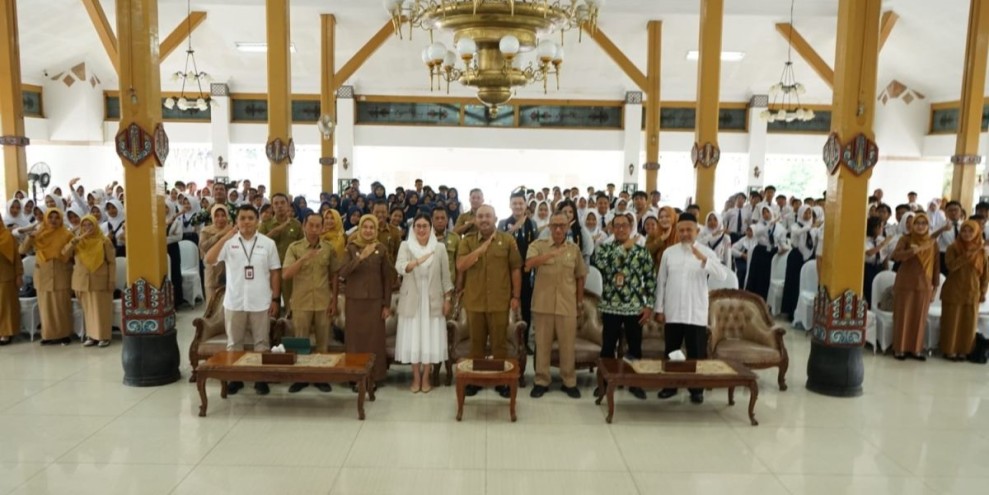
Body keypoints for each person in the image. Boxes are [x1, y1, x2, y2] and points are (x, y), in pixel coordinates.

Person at [205, 205, 282, 395]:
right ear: (237, 222)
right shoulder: (229, 243)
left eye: (250, 218)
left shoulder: (267, 243)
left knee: (261, 343)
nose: (246, 222)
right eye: (242, 218)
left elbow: (275, 273)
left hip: (260, 301)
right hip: (235, 301)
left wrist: (275, 299)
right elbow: (209, 258)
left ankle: (260, 378)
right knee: (234, 343)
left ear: (257, 221)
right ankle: (235, 378)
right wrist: (225, 236)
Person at [655, 213, 730, 403]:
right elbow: (661, 281)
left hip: (695, 311)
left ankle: (696, 388)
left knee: (696, 352)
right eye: (681, 230)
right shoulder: (669, 253)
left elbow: (722, 275)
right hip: (673, 310)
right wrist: (659, 308)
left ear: (697, 231)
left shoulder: (706, 252)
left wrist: (703, 259)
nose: (685, 234)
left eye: (689, 230)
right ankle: (670, 385)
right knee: (672, 351)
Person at [455, 204, 522, 398]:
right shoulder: (467, 241)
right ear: (475, 219)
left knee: (499, 344)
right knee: (476, 344)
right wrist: (481, 249)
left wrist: (516, 296)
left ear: (495, 218)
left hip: (500, 301)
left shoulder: (508, 240)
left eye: (488, 216)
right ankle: (475, 379)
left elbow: (515, 269)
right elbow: (461, 265)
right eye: (480, 216)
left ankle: (501, 380)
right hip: (474, 301)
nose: (484, 220)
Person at [591, 212, 655, 400]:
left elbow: (650, 279)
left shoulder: (641, 251)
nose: (620, 229)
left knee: (635, 348)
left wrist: (649, 305)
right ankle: (603, 383)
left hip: (635, 307)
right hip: (610, 307)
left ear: (630, 227)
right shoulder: (603, 249)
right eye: (616, 226)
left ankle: (634, 383)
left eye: (624, 226)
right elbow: (601, 263)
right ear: (611, 228)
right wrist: (623, 248)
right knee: (607, 348)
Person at [525, 213, 587, 399]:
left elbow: (580, 276)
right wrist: (551, 254)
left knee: (567, 346)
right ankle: (541, 381)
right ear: (549, 227)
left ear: (568, 227)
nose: (558, 229)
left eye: (562, 225)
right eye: (555, 225)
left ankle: (569, 382)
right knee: (542, 345)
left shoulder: (574, 249)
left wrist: (579, 302)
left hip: (567, 305)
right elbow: (528, 265)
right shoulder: (538, 245)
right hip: (542, 305)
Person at [395, 214, 453, 393]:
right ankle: (415, 377)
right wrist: (416, 262)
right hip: (412, 300)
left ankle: (426, 377)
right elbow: (400, 267)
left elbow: (446, 277)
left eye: (425, 226)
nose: (421, 229)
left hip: (432, 301)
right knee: (413, 340)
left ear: (431, 228)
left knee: (429, 340)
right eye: (418, 226)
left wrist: (448, 299)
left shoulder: (440, 248)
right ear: (413, 229)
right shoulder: (405, 246)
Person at [283, 213, 338, 393]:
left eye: (318, 226)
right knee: (300, 342)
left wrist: (334, 300)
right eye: (311, 225)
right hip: (301, 302)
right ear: (304, 226)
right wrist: (304, 258)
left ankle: (321, 377)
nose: (314, 230)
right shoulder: (295, 248)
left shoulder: (328, 248)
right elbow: (286, 274)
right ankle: (301, 377)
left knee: (323, 343)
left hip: (323, 302)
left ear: (322, 228)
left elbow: (334, 276)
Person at [339, 214, 394, 385]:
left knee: (374, 341)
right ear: (360, 229)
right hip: (354, 302)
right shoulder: (351, 248)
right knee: (355, 341)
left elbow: (388, 278)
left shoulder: (381, 249)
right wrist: (361, 257)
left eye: (372, 228)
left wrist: (386, 305)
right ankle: (354, 375)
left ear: (376, 230)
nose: (368, 231)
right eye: (365, 227)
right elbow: (343, 273)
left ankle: (374, 377)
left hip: (375, 303)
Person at [20, 209, 74, 345]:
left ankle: (64, 334)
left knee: (62, 306)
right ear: (45, 219)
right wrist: (30, 237)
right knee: (46, 307)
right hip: (43, 273)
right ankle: (48, 335)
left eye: (57, 217)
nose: (54, 220)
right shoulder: (39, 234)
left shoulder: (67, 234)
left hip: (61, 272)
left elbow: (71, 254)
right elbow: (22, 250)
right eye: (51, 217)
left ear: (61, 219)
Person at [890, 212, 939, 361]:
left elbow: (936, 266)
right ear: (912, 225)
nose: (920, 226)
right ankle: (900, 348)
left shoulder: (932, 243)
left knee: (920, 317)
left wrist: (935, 288)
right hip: (905, 283)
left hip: (924, 284)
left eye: (924, 223)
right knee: (903, 316)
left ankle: (916, 349)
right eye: (918, 223)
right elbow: (896, 256)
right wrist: (912, 251)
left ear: (928, 225)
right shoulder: (906, 239)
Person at [939, 220, 989, 360]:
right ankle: (949, 350)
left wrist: (983, 291)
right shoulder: (953, 248)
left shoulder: (981, 252)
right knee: (951, 321)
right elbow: (951, 266)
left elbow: (985, 274)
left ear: (977, 233)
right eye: (964, 231)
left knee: (968, 323)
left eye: (970, 231)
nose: (967, 234)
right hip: (954, 289)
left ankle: (964, 350)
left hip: (972, 290)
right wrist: (967, 255)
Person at [63, 215, 115, 347]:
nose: (87, 228)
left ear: (96, 225)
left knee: (101, 309)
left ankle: (103, 336)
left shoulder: (104, 241)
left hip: (100, 280)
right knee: (87, 310)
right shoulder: (78, 242)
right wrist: (76, 240)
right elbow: (65, 254)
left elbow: (111, 263)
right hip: (82, 281)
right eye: (84, 225)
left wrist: (111, 280)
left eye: (90, 225)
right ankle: (91, 335)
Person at [499, 191, 539, 352]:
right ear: (510, 205)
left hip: (527, 272)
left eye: (520, 203)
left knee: (527, 305)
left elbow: (536, 246)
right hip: (507, 272)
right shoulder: (503, 223)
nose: (517, 206)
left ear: (525, 205)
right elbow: (499, 243)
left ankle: (524, 342)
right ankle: (507, 339)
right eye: (514, 203)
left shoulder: (532, 224)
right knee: (507, 306)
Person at [260, 193, 303, 310]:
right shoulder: (266, 224)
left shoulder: (296, 224)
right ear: (272, 207)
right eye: (276, 203)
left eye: (282, 203)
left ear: (288, 205)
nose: (279, 206)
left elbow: (302, 247)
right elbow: (257, 245)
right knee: (271, 306)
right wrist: (274, 231)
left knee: (291, 305)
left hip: (289, 270)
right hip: (270, 271)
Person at [780, 206, 819, 318]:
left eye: (809, 213)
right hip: (796, 256)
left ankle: (805, 313)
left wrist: (812, 228)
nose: (807, 215)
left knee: (806, 283)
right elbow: (797, 233)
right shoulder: (795, 226)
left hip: (809, 256)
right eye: (805, 213)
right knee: (794, 283)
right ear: (801, 214)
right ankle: (791, 311)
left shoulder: (813, 228)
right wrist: (810, 227)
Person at [199, 205, 232, 307]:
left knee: (227, 305)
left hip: (229, 271)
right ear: (212, 217)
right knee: (212, 305)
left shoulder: (232, 229)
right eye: (217, 215)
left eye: (223, 215)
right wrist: (220, 234)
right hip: (212, 271)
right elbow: (204, 247)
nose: (220, 218)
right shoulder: (206, 231)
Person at [0, 211, 23, 345]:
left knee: (6, 306)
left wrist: (18, 274)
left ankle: (6, 333)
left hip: (6, 276)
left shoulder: (8, 236)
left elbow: (17, 258)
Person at [863, 216, 892, 306]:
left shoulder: (881, 239)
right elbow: (869, 253)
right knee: (869, 289)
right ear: (873, 227)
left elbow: (885, 256)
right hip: (868, 267)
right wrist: (882, 244)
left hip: (879, 266)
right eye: (880, 227)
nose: (881, 229)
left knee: (881, 289)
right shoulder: (865, 239)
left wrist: (886, 269)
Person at [432, 206, 459, 284]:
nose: (440, 221)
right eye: (437, 218)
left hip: (449, 284)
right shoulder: (424, 237)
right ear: (432, 220)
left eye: (443, 218)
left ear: (447, 220)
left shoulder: (455, 238)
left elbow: (458, 263)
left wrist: (459, 283)